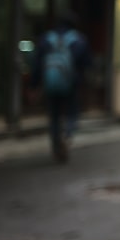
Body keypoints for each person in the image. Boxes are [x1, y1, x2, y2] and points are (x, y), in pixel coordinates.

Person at [31, 12, 90, 163]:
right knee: (71, 113)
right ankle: (67, 134)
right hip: (71, 83)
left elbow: (37, 63)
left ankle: (56, 146)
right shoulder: (78, 40)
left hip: (50, 83)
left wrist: (34, 84)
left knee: (54, 116)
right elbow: (86, 65)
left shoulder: (46, 38)